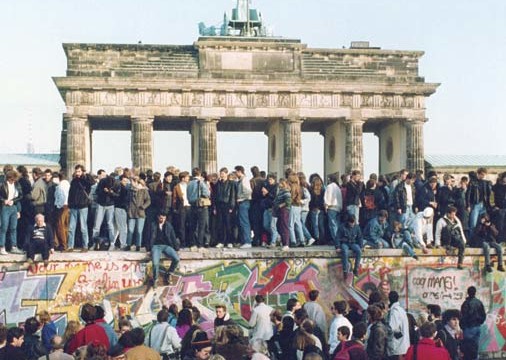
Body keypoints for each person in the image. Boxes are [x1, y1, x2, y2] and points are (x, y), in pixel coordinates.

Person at [67, 165, 94, 252]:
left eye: (79, 171)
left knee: (83, 227)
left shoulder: (86, 180)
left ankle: (85, 246)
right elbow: (70, 194)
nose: (77, 173)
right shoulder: (74, 181)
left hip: (83, 206)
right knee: (71, 228)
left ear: (82, 171)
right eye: (76, 171)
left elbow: (92, 182)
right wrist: (69, 205)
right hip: (74, 207)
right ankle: (70, 246)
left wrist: (85, 175)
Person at [150, 213, 180, 288]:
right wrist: (148, 247)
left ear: (165, 218)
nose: (162, 220)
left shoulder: (168, 225)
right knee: (155, 263)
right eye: (161, 218)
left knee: (176, 259)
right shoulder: (153, 225)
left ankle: (169, 273)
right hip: (156, 246)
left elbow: (173, 236)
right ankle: (155, 279)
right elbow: (148, 235)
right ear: (158, 217)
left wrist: (176, 248)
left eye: (164, 218)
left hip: (166, 246)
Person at [0, 170, 24, 255]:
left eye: (14, 179)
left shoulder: (17, 184)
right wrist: (4, 200)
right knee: (4, 227)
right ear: (9, 178)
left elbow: (20, 196)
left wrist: (13, 202)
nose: (13, 181)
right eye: (12, 179)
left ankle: (14, 246)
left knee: (13, 227)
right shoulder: (2, 184)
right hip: (5, 207)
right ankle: (2, 247)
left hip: (14, 207)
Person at [186, 168, 211, 250]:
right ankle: (200, 245)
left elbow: (187, 196)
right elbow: (207, 193)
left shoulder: (189, 183)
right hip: (201, 206)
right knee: (201, 226)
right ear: (199, 174)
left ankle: (192, 244)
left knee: (193, 226)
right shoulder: (200, 182)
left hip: (192, 206)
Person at [460, 286, 486, 360]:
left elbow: (463, 317)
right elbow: (483, 315)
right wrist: (479, 322)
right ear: (475, 292)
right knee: (475, 347)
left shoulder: (465, 303)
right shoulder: (479, 302)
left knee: (467, 350)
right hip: (477, 327)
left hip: (468, 328)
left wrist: (462, 327)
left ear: (468, 293)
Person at [126, 177, 151, 251]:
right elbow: (127, 200)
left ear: (136, 182)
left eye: (133, 182)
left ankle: (138, 245)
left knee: (139, 230)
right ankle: (129, 244)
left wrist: (143, 207)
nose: (131, 184)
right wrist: (128, 208)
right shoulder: (130, 191)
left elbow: (148, 200)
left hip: (140, 212)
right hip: (131, 212)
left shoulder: (143, 191)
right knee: (130, 230)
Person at [387, 291, 410, 360]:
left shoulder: (395, 311)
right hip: (403, 346)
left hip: (397, 347)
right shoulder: (401, 310)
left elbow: (392, 328)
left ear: (389, 299)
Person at [235, 165, 253, 249]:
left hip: (244, 202)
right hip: (242, 203)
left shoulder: (244, 180)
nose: (235, 174)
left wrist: (240, 198)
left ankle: (247, 241)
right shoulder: (241, 180)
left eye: (236, 172)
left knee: (244, 222)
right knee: (241, 222)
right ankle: (244, 241)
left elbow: (248, 192)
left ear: (239, 171)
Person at [324, 173, 343, 247]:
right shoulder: (338, 187)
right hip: (338, 207)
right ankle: (339, 238)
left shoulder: (329, 186)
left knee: (332, 225)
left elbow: (327, 197)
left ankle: (336, 240)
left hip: (331, 207)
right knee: (337, 224)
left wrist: (326, 205)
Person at [273, 179, 292, 251]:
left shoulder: (286, 191)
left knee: (284, 226)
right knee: (279, 226)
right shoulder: (280, 191)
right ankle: (283, 242)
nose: (279, 184)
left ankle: (286, 244)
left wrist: (281, 205)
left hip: (284, 210)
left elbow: (288, 201)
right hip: (279, 211)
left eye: (280, 183)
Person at [54, 172, 70, 251]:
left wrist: (59, 205)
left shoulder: (60, 186)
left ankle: (63, 245)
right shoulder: (68, 184)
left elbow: (62, 196)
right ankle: (66, 243)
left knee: (60, 226)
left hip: (62, 207)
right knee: (66, 226)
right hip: (67, 206)